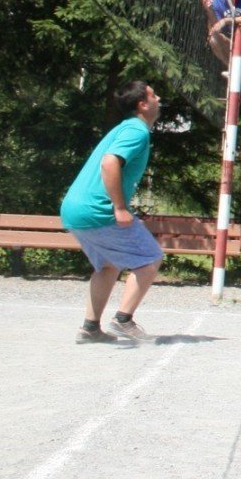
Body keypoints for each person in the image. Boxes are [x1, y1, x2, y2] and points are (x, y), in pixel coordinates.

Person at [60, 80, 165, 344]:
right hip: (98, 210)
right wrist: (119, 207)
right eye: (153, 95)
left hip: (73, 209)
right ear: (142, 104)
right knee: (150, 259)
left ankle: (90, 328)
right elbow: (109, 163)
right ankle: (123, 320)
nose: (158, 98)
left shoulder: (124, 128)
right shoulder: (137, 131)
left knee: (107, 266)